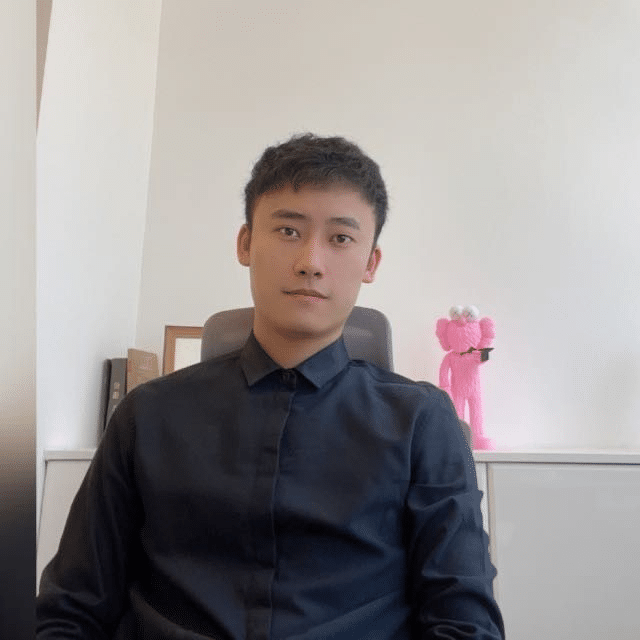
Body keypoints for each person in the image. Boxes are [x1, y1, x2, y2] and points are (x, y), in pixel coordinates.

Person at [37, 133, 505, 639]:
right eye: (287, 230)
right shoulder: (146, 416)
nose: (310, 261)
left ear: (371, 263)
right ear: (245, 243)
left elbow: (464, 622)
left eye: (340, 238)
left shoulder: (420, 422)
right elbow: (71, 611)